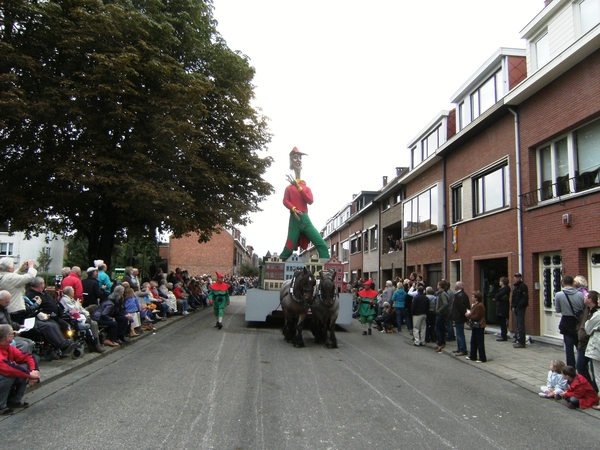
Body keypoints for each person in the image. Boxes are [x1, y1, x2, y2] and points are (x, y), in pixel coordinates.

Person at [279, 147, 330, 261]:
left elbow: (310, 201)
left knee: (321, 245)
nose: (298, 160)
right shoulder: (288, 188)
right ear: (291, 161)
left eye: (300, 158)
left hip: (305, 220)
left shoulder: (305, 187)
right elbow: (285, 201)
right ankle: (275, 268)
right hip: (294, 220)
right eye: (295, 158)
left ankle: (326, 271)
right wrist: (293, 208)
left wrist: (298, 187)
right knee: (288, 248)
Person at [0, 324, 41, 415]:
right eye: (12, 333)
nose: (14, 335)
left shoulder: (8, 348)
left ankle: (14, 400)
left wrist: (34, 370)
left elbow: (28, 357)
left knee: (24, 367)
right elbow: (8, 369)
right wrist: (30, 375)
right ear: (7, 337)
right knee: (10, 375)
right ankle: (1, 406)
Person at [555, 275, 585, 367]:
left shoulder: (559, 295)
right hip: (578, 322)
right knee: (580, 346)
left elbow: (557, 309)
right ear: (573, 283)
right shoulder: (580, 294)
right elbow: (583, 308)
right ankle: (582, 366)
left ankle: (571, 369)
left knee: (569, 348)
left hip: (566, 322)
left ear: (563, 283)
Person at [0, 257, 37, 324]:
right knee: (17, 329)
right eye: (13, 265)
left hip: (6, 309)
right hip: (14, 310)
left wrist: (21, 268)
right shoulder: (10, 278)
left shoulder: (2, 276)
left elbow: (11, 277)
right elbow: (30, 276)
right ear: (9, 269)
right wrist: (31, 267)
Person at [584, 290, 600, 404]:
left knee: (598, 375)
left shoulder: (598, 315)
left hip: (598, 347)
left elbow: (588, 328)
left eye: (599, 299)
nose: (598, 301)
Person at [465, 291, 487, 363]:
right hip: (475, 325)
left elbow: (477, 316)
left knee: (480, 342)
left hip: (479, 326)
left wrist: (469, 315)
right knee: (473, 341)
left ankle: (482, 358)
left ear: (476, 298)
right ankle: (473, 356)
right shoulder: (474, 305)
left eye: (473, 297)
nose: (471, 298)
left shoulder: (480, 306)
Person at [450, 281, 470, 357]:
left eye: (455, 285)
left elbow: (462, 308)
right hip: (459, 317)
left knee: (460, 333)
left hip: (459, 317)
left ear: (458, 287)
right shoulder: (460, 294)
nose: (454, 286)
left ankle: (462, 349)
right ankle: (459, 347)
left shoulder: (460, 295)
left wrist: (465, 317)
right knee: (458, 333)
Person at [512, 273, 529, 348]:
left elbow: (525, 298)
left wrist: (519, 306)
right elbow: (514, 298)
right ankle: (518, 339)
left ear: (520, 278)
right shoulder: (516, 286)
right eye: (515, 277)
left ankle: (521, 342)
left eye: (518, 277)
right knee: (518, 324)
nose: (516, 278)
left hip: (520, 308)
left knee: (520, 324)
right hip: (516, 307)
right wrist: (513, 306)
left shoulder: (523, 286)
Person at [493, 277, 511, 341]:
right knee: (501, 321)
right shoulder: (503, 289)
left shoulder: (505, 289)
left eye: (500, 281)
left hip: (503, 307)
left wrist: (497, 298)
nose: (499, 282)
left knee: (502, 321)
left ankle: (504, 336)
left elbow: (498, 296)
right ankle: (503, 335)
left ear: (503, 282)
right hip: (501, 307)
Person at [434, 281, 449, 353]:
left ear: (440, 286)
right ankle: (442, 343)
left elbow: (445, 303)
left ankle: (440, 344)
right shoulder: (441, 293)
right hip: (442, 314)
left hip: (441, 314)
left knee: (438, 329)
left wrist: (439, 310)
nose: (437, 285)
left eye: (438, 284)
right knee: (441, 329)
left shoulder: (442, 294)